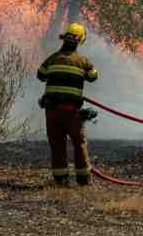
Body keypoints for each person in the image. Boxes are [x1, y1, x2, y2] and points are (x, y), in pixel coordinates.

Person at [36, 22, 99, 186]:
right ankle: (83, 180)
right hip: (72, 112)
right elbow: (93, 76)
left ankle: (61, 180)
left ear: (64, 39)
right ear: (79, 41)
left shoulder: (52, 58)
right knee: (79, 144)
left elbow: (40, 76)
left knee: (57, 145)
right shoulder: (82, 61)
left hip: (52, 111)